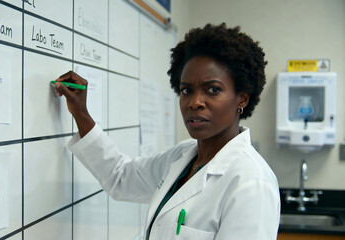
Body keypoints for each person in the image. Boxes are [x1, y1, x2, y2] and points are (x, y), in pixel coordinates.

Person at [53, 23, 280, 240]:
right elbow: (121, 177)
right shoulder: (182, 158)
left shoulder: (251, 183)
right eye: (186, 90)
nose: (195, 102)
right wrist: (81, 113)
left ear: (242, 97)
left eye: (213, 90)